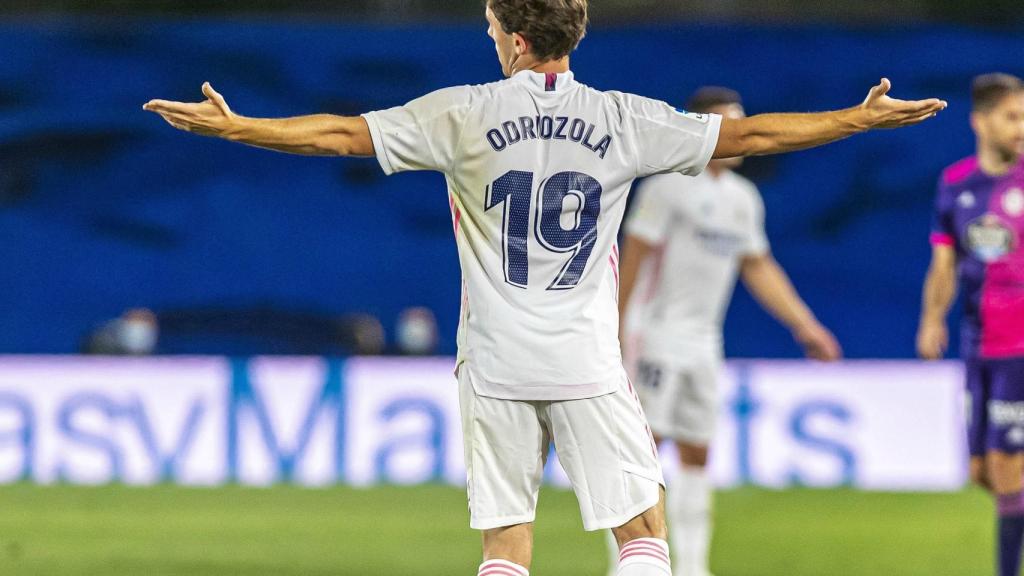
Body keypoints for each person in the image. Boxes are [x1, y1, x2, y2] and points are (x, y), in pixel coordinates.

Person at [143, 1, 945, 573]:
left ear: (518, 40)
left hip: (491, 359)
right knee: (642, 534)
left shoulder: (461, 112)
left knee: (504, 543)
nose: (489, 38)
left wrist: (241, 126)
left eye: (492, 28)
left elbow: (342, 134)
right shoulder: (626, 118)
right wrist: (855, 119)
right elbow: (755, 134)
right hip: (588, 360)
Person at [610, 86, 842, 576]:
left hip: (703, 342)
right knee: (641, 454)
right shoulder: (668, 186)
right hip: (653, 336)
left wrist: (806, 326)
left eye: (741, 120)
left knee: (697, 450)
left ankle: (693, 567)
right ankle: (627, 565)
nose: (739, 131)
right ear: (701, 129)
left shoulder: (742, 199)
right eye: (727, 122)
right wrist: (612, 330)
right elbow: (633, 258)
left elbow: (758, 266)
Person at [917, 73, 1024, 576]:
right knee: (981, 471)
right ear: (980, 122)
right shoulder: (956, 184)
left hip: (1019, 347)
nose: (1022, 128)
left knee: (1007, 470)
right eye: (1012, 117)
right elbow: (945, 263)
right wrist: (932, 318)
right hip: (976, 343)